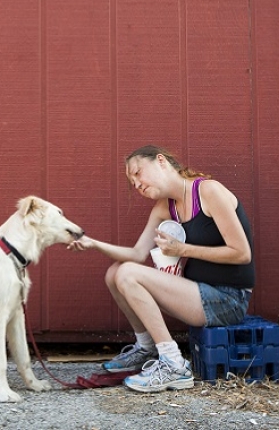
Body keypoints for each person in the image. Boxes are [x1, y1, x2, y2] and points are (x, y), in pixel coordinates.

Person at [67, 145, 255, 393]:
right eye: (131, 181)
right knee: (116, 272)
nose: (136, 184)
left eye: (138, 173)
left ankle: (174, 365)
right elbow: (136, 254)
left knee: (128, 273)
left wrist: (182, 250)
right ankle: (146, 349)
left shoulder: (208, 191)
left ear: (161, 161)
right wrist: (93, 243)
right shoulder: (165, 207)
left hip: (229, 299)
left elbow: (242, 254)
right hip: (198, 293)